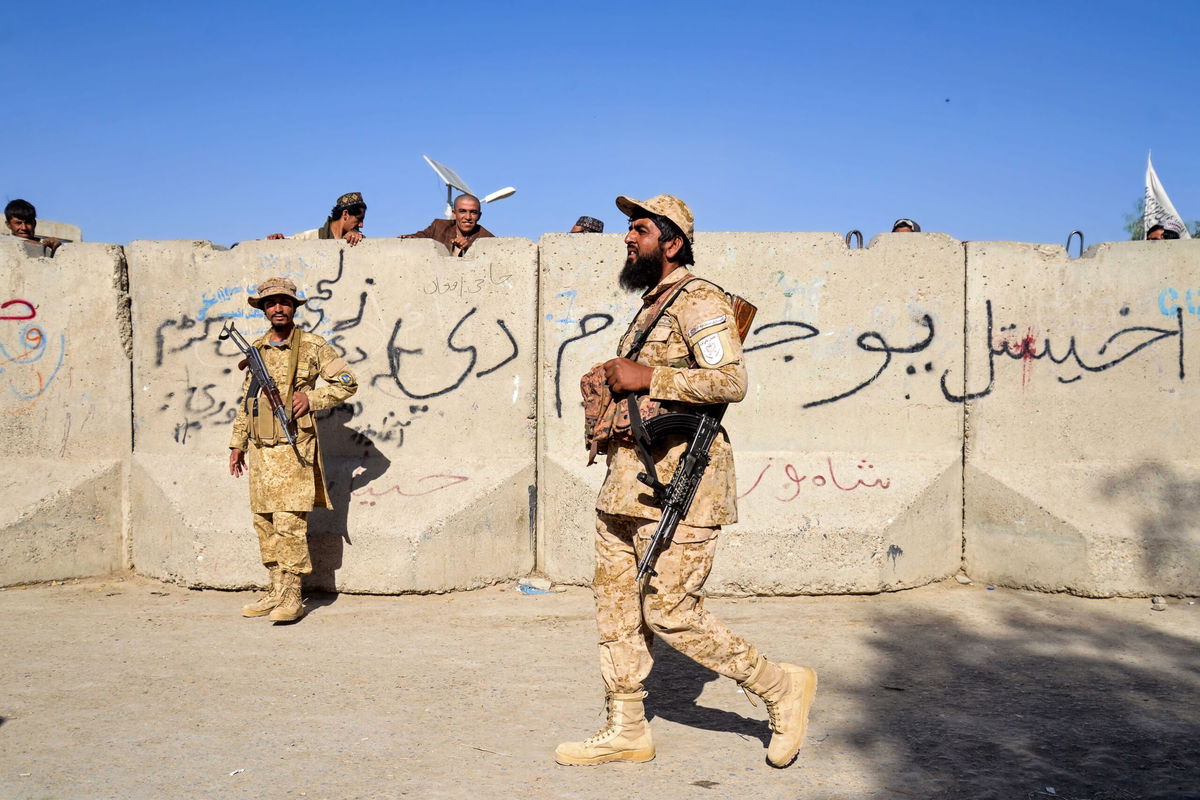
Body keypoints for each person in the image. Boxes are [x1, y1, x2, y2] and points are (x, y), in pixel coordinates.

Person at [555, 194, 817, 769]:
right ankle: (627, 728)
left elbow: (730, 380)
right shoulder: (652, 305)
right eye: (629, 229)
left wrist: (649, 374)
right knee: (618, 606)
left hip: (685, 483)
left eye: (640, 230)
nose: (629, 239)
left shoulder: (699, 300)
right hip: (628, 479)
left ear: (671, 243)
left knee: (671, 609)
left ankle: (778, 686)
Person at [228, 277, 358, 623]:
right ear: (264, 310)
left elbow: (348, 382)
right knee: (265, 523)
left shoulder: (313, 346)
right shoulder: (256, 348)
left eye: (284, 302)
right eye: (271, 303)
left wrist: (311, 398)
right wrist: (236, 444)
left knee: (289, 525)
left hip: (294, 450)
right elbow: (247, 401)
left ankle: (292, 596)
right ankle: (274, 590)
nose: (278, 308)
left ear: (294, 306)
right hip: (260, 451)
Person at [399, 193, 494, 256]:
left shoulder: (487, 238)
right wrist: (410, 238)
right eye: (462, 211)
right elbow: (422, 236)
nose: (468, 217)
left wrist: (469, 248)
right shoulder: (439, 226)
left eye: (473, 212)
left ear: (479, 215)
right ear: (454, 214)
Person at [267, 192, 367, 246]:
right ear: (345, 214)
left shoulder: (357, 238)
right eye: (359, 219)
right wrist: (276, 239)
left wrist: (357, 238)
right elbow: (284, 245)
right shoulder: (309, 238)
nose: (361, 225)